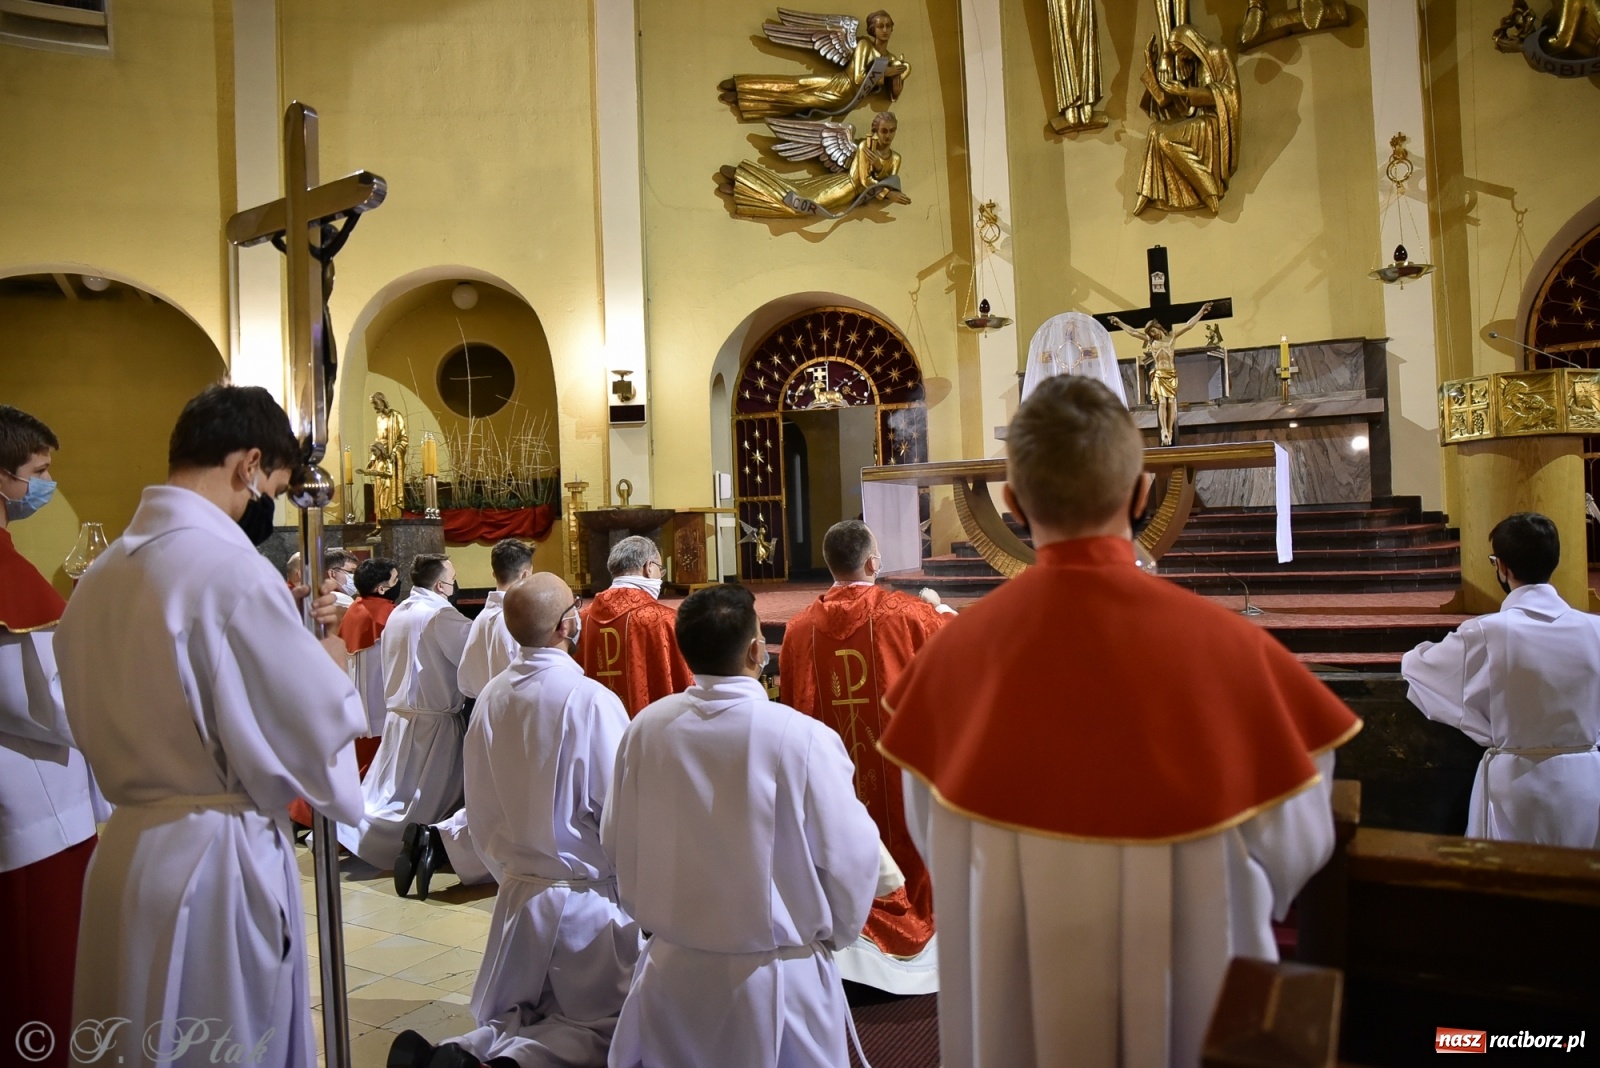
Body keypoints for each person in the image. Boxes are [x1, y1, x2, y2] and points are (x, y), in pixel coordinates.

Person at [877, 376, 1362, 1068]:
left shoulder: (951, 660)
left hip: (1012, 988)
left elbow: (935, 834)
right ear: (1141, 496)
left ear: (1010, 503)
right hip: (1194, 993)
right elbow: (1297, 840)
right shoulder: (1231, 650)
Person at [54, 384, 366, 1068]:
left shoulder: (101, 574)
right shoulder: (227, 568)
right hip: (213, 863)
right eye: (276, 486)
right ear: (248, 464)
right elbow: (314, 722)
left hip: (128, 851)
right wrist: (334, 657)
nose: (266, 503)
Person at [603, 585, 880, 1068]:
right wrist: (831, 934)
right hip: (775, 978)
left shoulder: (645, 728)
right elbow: (851, 859)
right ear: (757, 650)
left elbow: (617, 838)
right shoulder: (802, 738)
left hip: (673, 970)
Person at [390, 574, 639, 1068]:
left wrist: (510, 870)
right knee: (603, 1025)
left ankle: (459, 1052)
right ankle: (516, 1064)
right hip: (585, 896)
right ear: (568, 624)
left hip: (518, 893)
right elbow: (620, 811)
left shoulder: (492, 696)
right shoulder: (589, 700)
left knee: (514, 1013)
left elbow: (478, 810)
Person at [779, 519, 946, 995]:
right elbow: (950, 669)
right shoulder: (911, 614)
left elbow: (792, 706)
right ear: (873, 562)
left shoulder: (798, 629)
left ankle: (848, 919)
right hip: (897, 769)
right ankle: (913, 913)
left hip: (835, 776)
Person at [0, 405, 103, 1068]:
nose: (43, 486)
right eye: (36, 473)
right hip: (37, 800)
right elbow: (43, 698)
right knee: (44, 970)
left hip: (30, 787)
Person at [1402, 512, 1600, 847]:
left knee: (1511, 886)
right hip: (1587, 782)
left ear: (1502, 568)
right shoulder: (1595, 629)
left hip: (1517, 786)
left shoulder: (1485, 632)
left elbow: (1421, 669)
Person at [396, 538, 533, 898]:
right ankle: (439, 841)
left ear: (493, 571)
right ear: (527, 573)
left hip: (484, 714)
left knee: (494, 800)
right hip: (516, 718)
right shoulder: (517, 617)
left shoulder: (484, 617)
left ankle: (433, 841)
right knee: (512, 803)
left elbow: (467, 680)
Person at [338, 552, 472, 871]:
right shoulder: (442, 615)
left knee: (390, 792)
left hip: (401, 718)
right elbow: (472, 658)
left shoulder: (401, 612)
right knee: (415, 801)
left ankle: (351, 826)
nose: (454, 585)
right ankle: (422, 846)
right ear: (441, 585)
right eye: (452, 579)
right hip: (433, 722)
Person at [577, 535, 693, 717]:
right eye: (660, 569)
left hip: (596, 730)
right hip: (649, 734)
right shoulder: (663, 619)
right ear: (648, 568)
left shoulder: (583, 619)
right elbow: (685, 682)